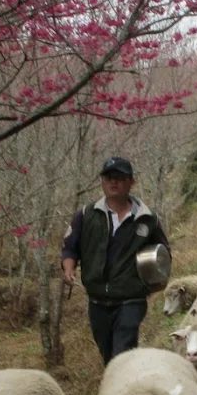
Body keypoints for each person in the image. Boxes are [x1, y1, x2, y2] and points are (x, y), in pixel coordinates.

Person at [61, 156, 169, 365]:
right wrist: (69, 268)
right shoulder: (86, 215)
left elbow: (163, 253)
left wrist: (155, 280)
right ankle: (126, 385)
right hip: (97, 300)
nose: (113, 182)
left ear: (131, 182)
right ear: (102, 181)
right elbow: (69, 248)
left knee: (123, 353)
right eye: (109, 177)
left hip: (131, 299)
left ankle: (122, 392)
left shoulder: (147, 218)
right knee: (108, 355)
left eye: (119, 178)